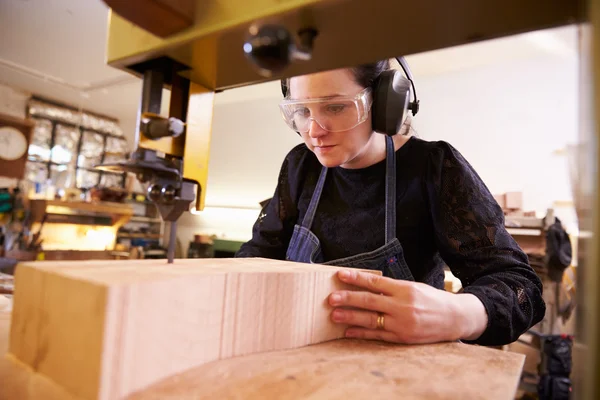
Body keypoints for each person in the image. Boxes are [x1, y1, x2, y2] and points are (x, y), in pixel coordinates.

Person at [235, 58, 545, 346]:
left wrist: (459, 314)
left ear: (384, 102)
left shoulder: (433, 168)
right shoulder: (300, 165)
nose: (315, 131)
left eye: (336, 107)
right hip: (302, 360)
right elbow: (259, 254)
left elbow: (521, 287)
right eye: (303, 110)